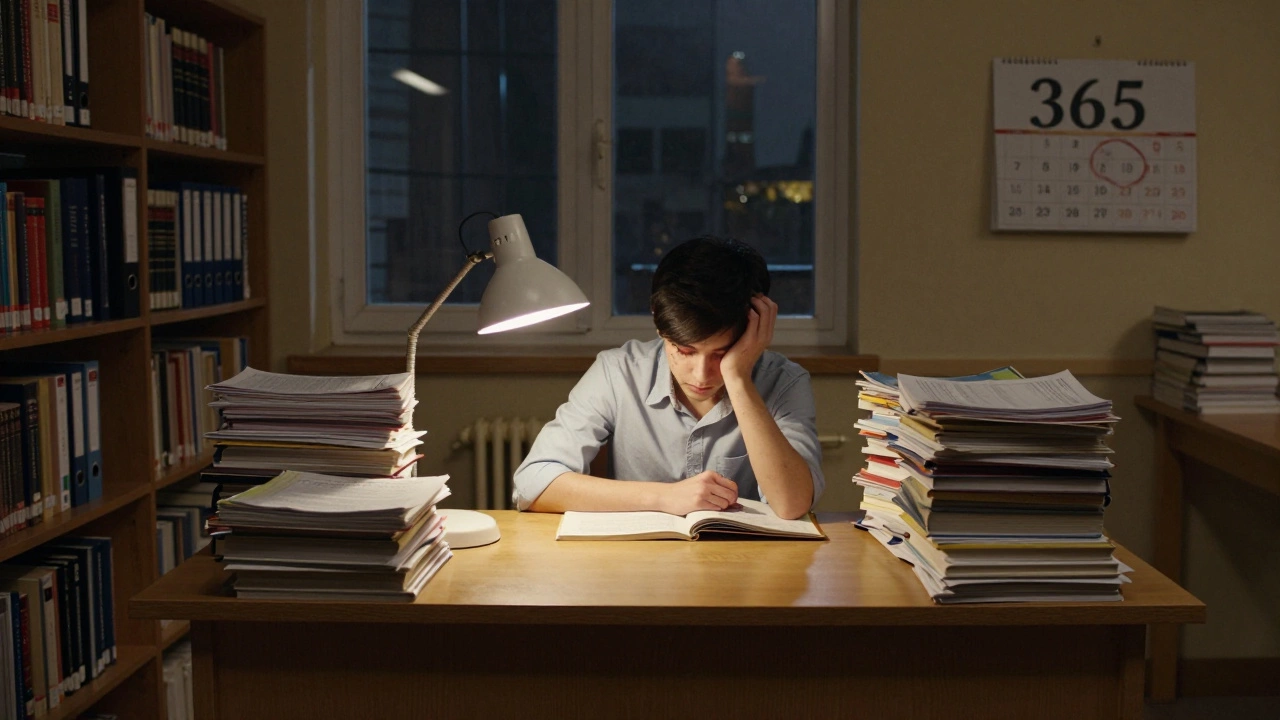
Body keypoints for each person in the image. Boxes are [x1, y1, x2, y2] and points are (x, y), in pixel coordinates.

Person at [512, 237, 823, 520]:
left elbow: (792, 504)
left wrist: (738, 377)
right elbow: (533, 483)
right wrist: (665, 497)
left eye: (721, 354)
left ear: (755, 328)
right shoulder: (619, 371)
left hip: (745, 571)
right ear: (659, 326)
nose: (701, 375)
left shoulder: (785, 381)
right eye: (684, 351)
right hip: (638, 569)